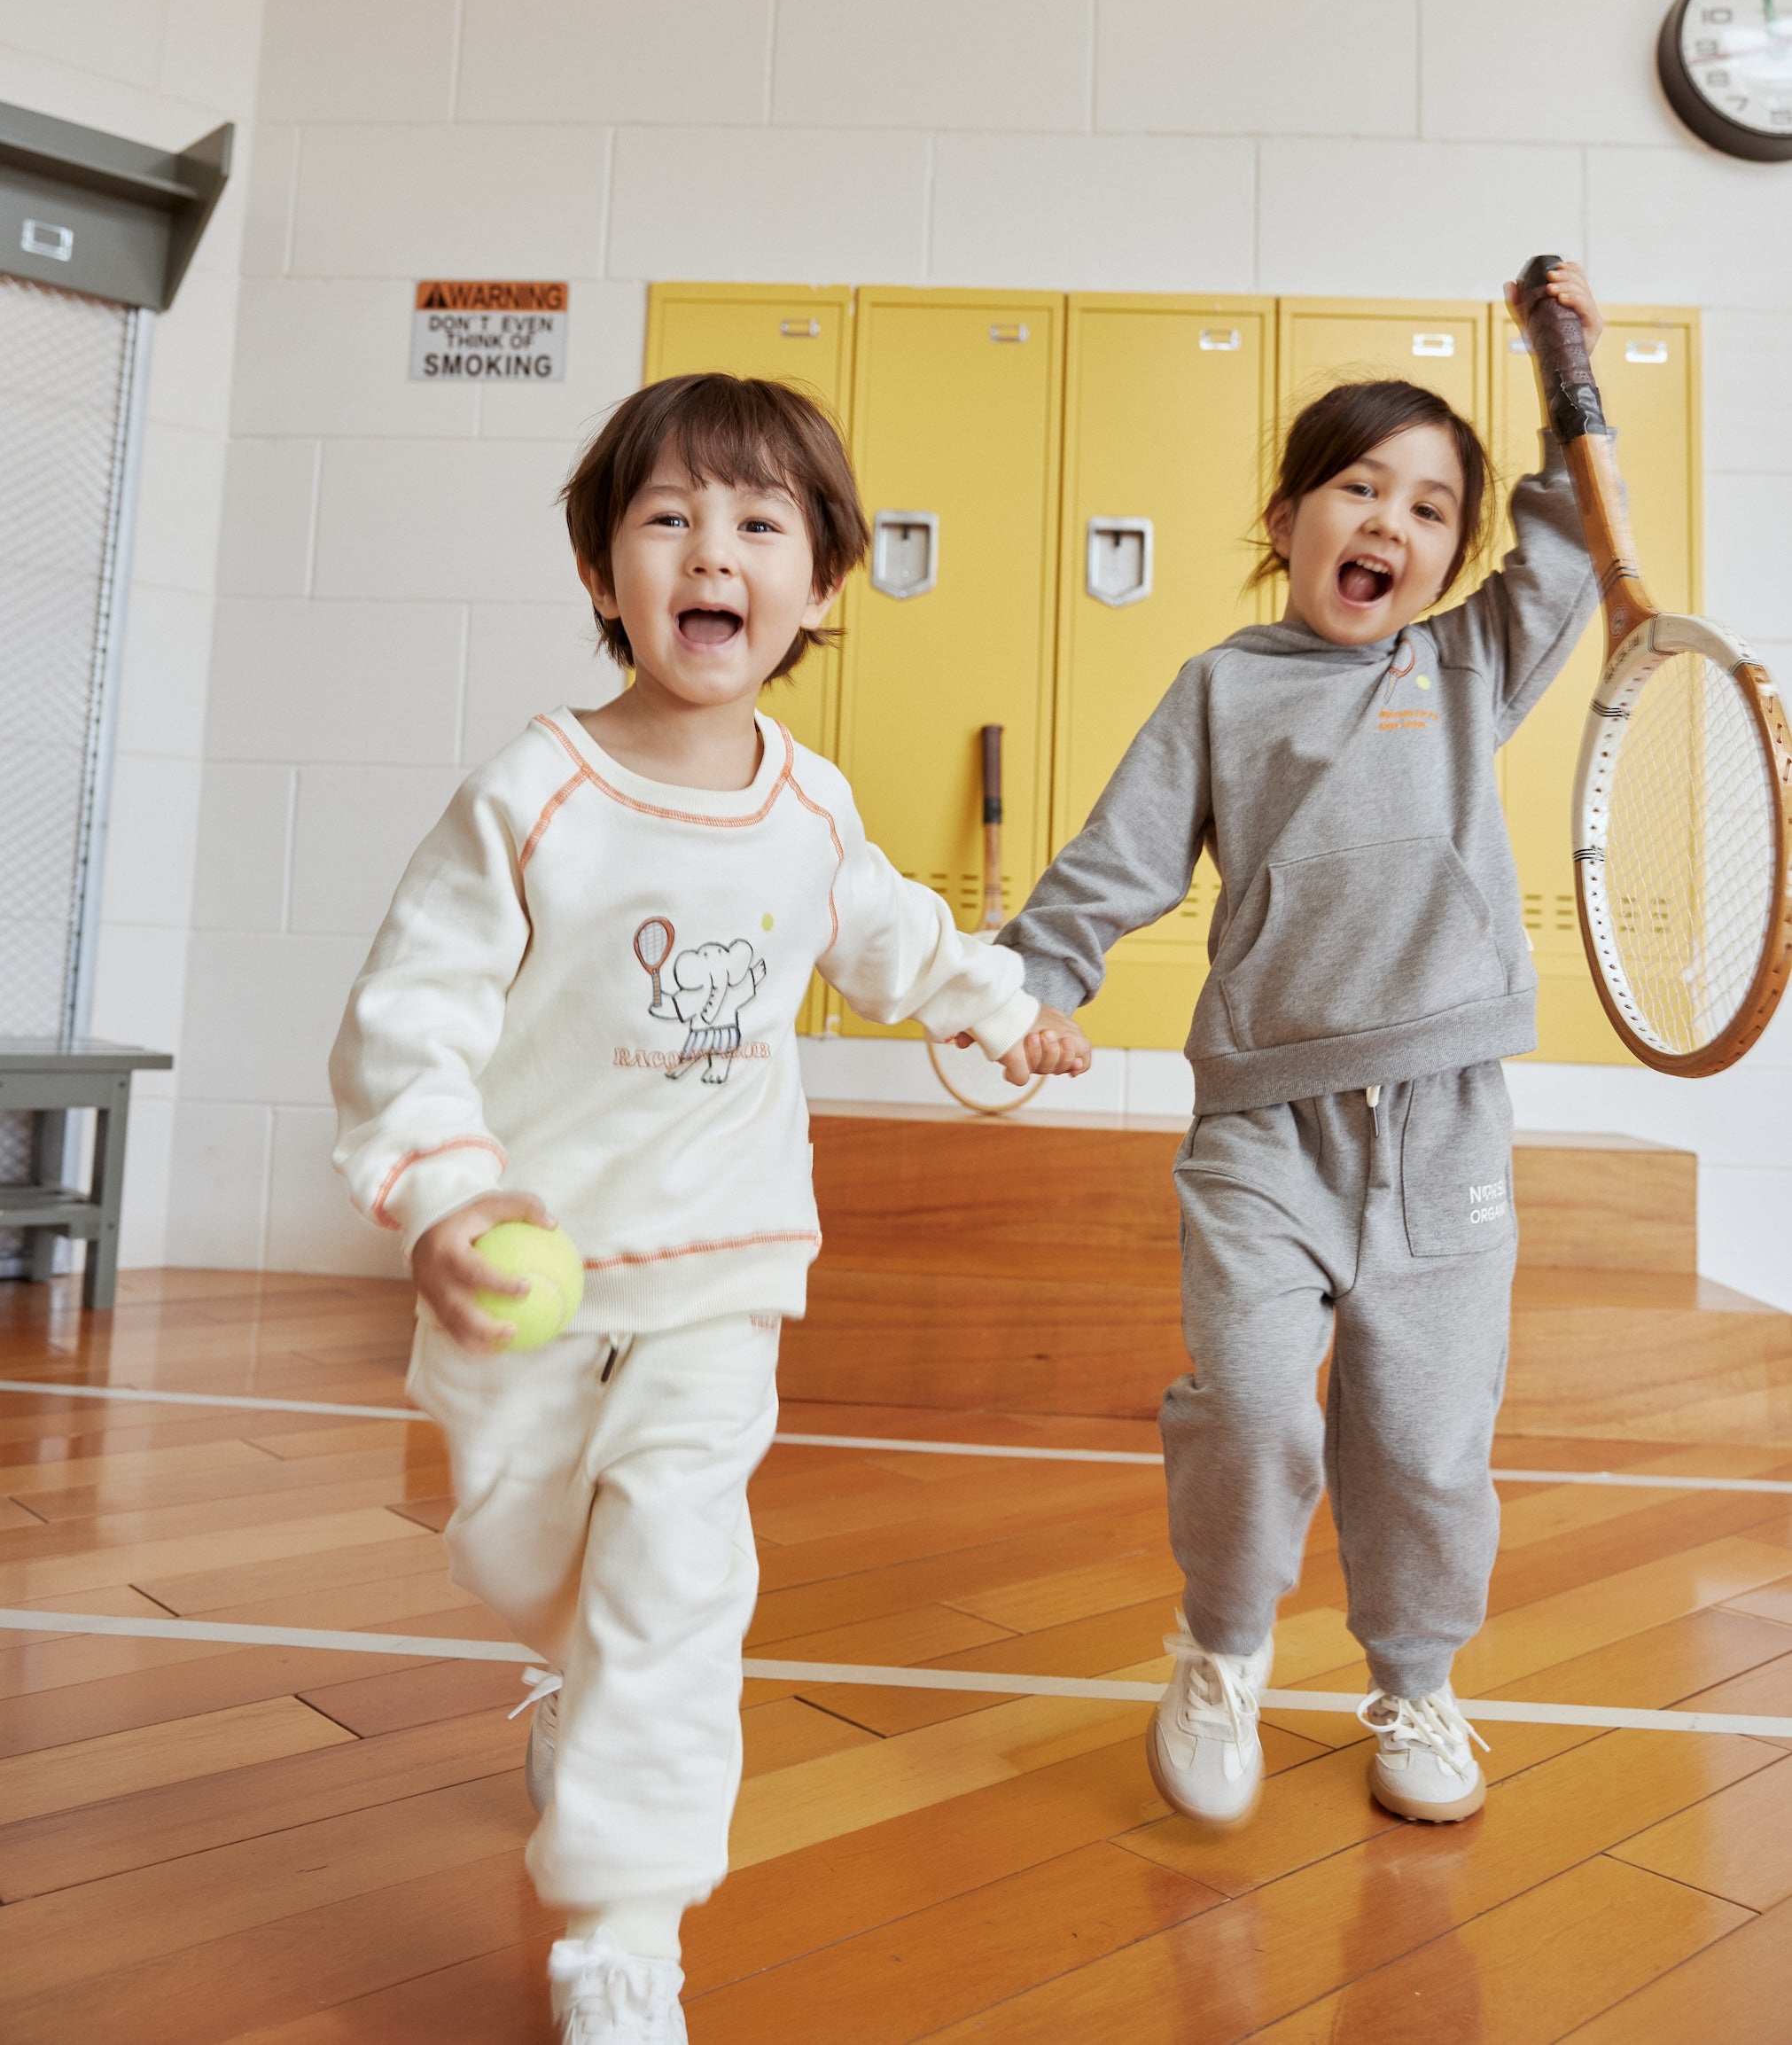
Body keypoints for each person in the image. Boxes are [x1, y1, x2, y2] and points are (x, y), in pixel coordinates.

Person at [328, 372, 1080, 2045]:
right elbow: (412, 1013)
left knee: (674, 1571)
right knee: (520, 1549)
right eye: (667, 516)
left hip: (719, 1274)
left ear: (818, 586)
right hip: (530, 1279)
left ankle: (624, 1932)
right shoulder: (534, 794)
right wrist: (448, 1196)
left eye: (758, 522)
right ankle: (570, 1674)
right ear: (605, 572)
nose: (709, 549)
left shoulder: (807, 808)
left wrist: (999, 1011)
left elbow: (894, 939)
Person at [1001, 266, 1603, 1831]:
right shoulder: (1220, 690)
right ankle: (1218, 1651)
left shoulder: (1467, 668)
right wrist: (1031, 984)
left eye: (1426, 508)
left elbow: (1565, 546)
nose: (1386, 524)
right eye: (1356, 487)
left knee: (1419, 1438)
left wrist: (1566, 365)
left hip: (1444, 1128)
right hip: (1261, 1132)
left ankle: (1415, 1680)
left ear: (1444, 559)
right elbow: (1113, 863)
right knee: (1257, 1409)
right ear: (1285, 518)